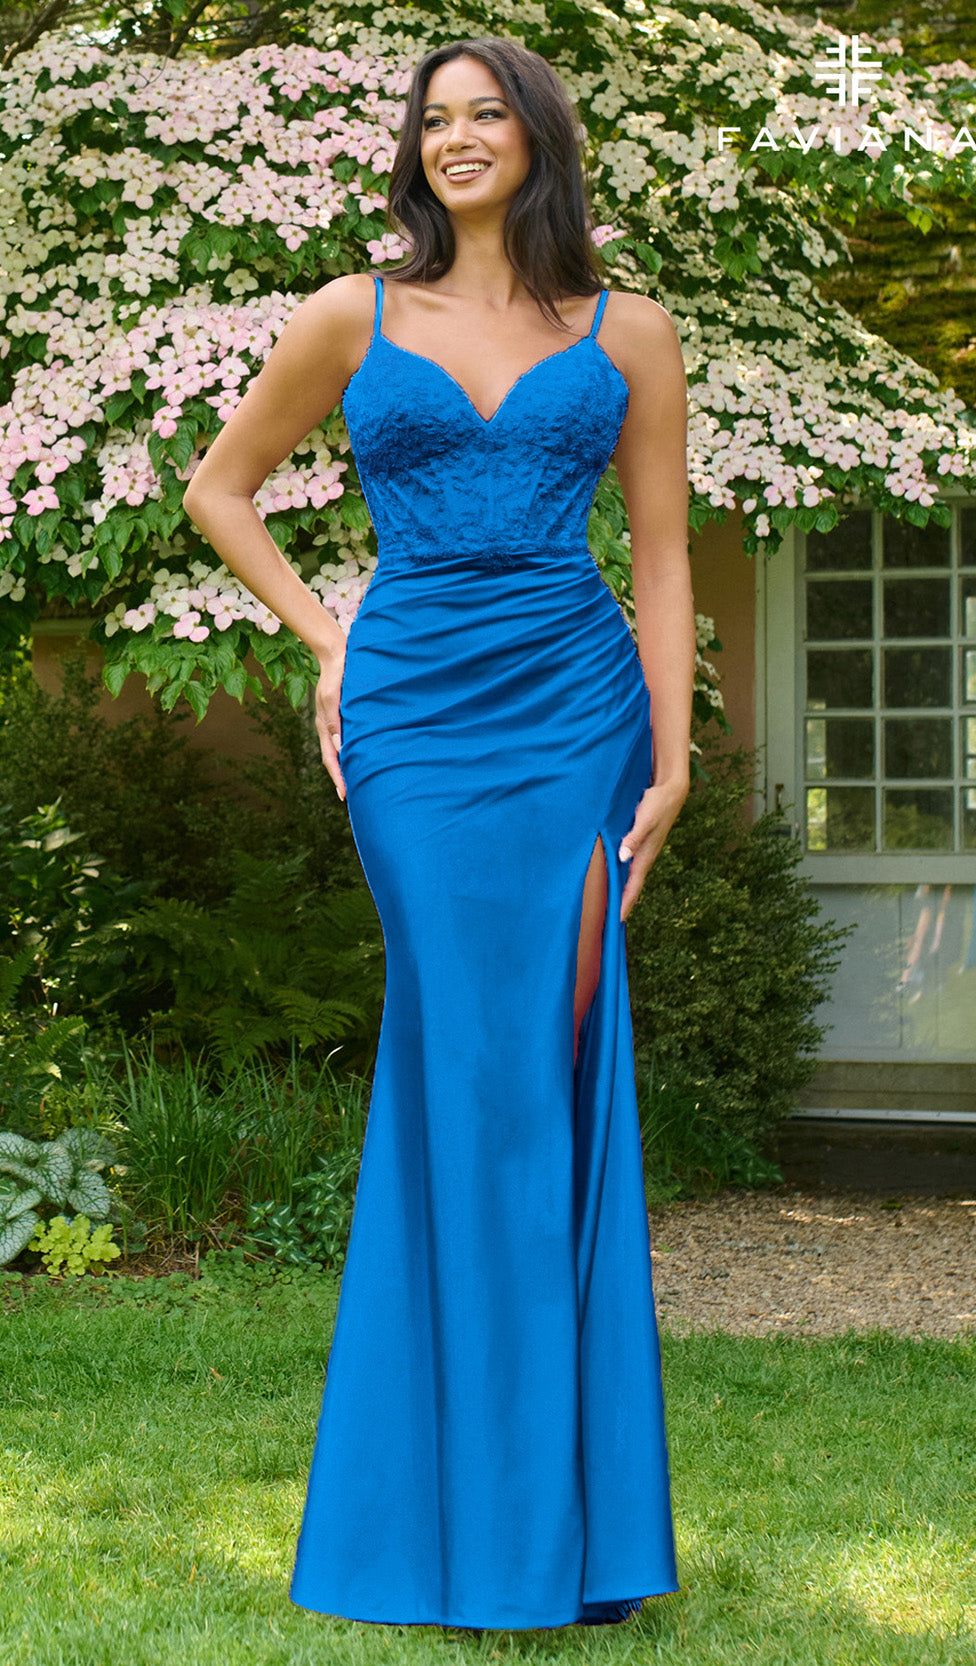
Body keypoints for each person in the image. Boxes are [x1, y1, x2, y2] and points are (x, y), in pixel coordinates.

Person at [183, 32, 694, 1633]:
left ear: (540, 139)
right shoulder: (356, 313)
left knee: (543, 1076)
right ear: (415, 153)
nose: (456, 137)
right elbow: (222, 487)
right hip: (412, 718)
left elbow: (667, 564)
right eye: (435, 120)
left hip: (574, 716)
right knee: (467, 1068)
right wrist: (328, 632)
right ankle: (479, 1525)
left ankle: (554, 1532)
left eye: (486, 115)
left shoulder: (632, 330)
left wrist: (671, 765)